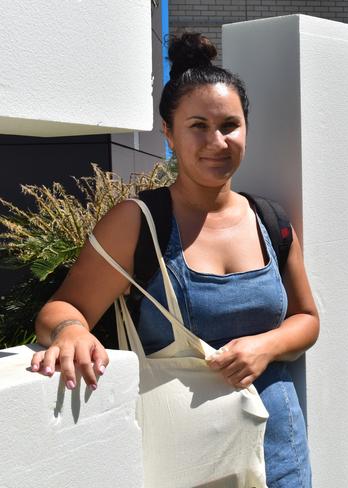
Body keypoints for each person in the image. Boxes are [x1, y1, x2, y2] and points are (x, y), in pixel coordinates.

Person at [30, 32, 319, 487]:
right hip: (189, 464)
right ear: (168, 133)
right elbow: (62, 308)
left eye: (230, 125)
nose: (217, 141)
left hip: (282, 458)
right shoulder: (138, 223)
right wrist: (70, 332)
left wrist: (265, 347)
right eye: (198, 126)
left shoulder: (271, 220)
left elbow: (306, 318)